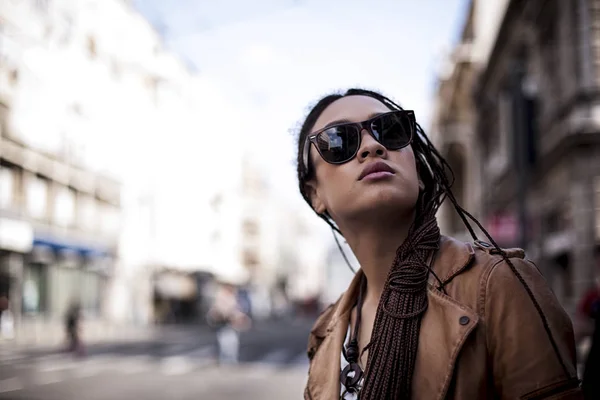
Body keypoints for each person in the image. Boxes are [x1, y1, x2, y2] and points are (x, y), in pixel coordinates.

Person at [297, 89, 582, 399]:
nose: (372, 145)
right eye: (340, 140)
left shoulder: (499, 287)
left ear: (418, 173)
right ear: (316, 195)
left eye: (390, 130)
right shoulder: (326, 332)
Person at [207, 282, 251, 365]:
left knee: (230, 343)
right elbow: (219, 310)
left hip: (230, 324)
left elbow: (238, 309)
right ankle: (225, 360)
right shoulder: (221, 297)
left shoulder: (233, 297)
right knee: (225, 342)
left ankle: (229, 360)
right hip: (223, 323)